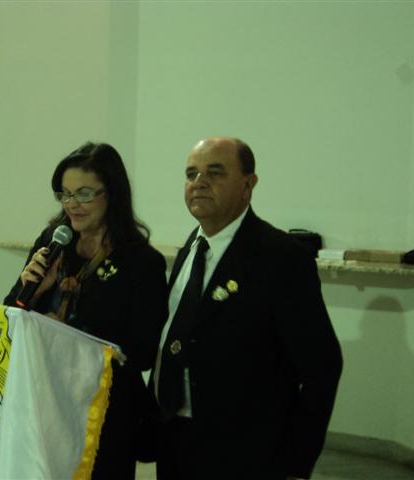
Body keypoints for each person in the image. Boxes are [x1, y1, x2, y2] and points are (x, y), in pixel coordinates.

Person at [154, 136, 343, 479]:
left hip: (246, 451)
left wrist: (296, 463)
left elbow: (323, 367)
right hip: (177, 441)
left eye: (215, 173)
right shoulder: (193, 247)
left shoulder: (280, 257)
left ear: (248, 184)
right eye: (191, 174)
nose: (199, 183)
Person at [4, 141, 168, 479]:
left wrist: (65, 336)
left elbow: (141, 352)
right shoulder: (54, 240)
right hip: (44, 402)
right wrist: (32, 290)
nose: (72, 205)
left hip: (103, 412)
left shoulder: (140, 261)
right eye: (64, 194)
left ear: (112, 194)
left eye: (83, 194)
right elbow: (11, 315)